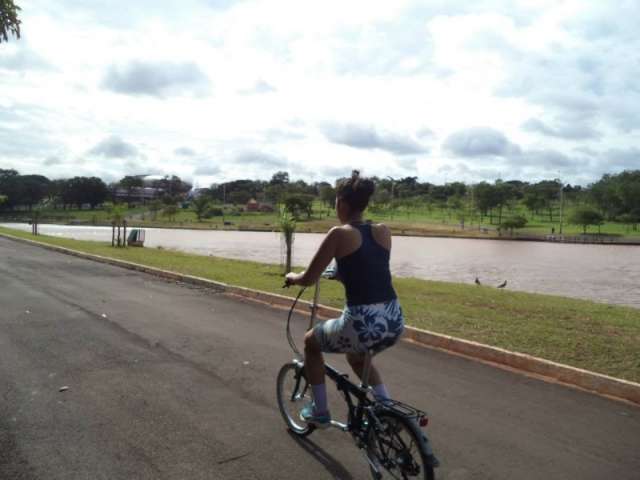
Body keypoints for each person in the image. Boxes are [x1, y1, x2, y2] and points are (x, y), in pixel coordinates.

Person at [285, 170, 404, 428]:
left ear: (342, 202)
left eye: (336, 201)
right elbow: (370, 268)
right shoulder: (384, 231)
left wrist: (292, 276)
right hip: (394, 318)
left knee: (311, 343)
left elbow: (308, 278)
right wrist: (342, 275)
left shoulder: (338, 234)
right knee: (356, 356)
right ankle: (385, 407)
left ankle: (320, 411)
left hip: (362, 322)